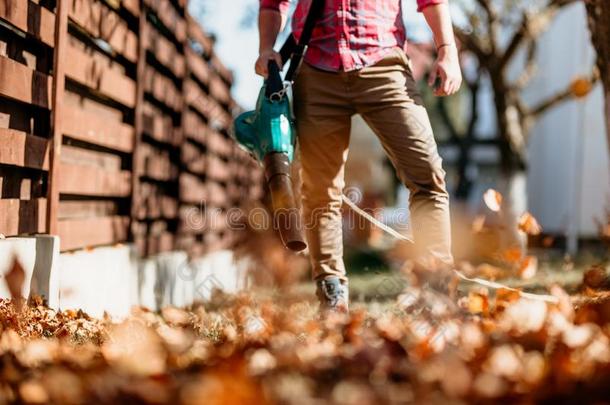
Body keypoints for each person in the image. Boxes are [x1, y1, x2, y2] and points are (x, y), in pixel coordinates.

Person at [255, 0, 462, 313]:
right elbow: (273, 3)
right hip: (316, 70)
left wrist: (447, 49)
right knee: (320, 190)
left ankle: (436, 288)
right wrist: (266, 47)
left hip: (384, 64)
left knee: (427, 175)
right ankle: (332, 294)